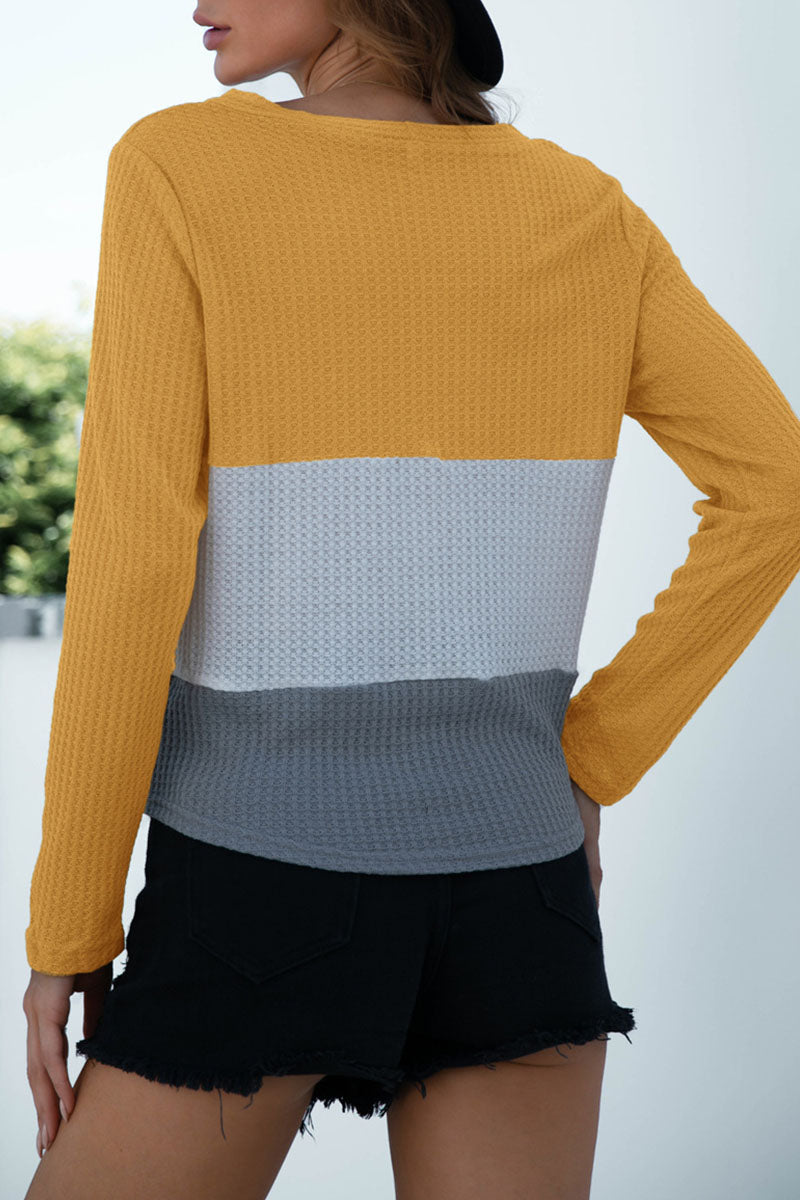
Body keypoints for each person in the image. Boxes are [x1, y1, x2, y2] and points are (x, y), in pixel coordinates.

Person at [22, 0, 800, 1196]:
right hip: (520, 883)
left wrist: (71, 928)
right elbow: (775, 487)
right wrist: (585, 761)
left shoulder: (182, 165)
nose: (194, 0)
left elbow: (133, 561)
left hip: (255, 877)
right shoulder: (580, 205)